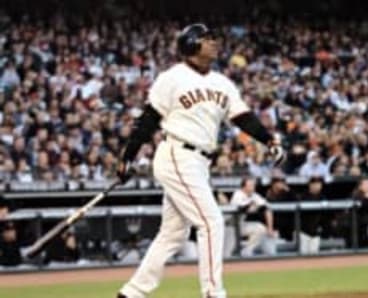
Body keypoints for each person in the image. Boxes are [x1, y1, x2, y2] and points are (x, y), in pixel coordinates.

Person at [116, 24, 285, 298]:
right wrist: (127, 157)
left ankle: (132, 293)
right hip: (177, 154)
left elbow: (243, 117)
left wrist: (269, 140)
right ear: (192, 44)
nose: (214, 43)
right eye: (207, 39)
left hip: (199, 162)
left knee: (173, 234)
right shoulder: (172, 78)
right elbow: (148, 120)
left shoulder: (222, 83)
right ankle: (212, 293)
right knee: (211, 221)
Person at [226, 177, 276, 257]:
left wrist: (270, 228)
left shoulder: (254, 195)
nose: (253, 187)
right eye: (250, 185)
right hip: (228, 227)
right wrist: (253, 205)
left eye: (253, 185)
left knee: (260, 228)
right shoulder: (238, 194)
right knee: (226, 255)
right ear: (244, 187)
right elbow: (243, 208)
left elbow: (266, 208)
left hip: (240, 225)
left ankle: (247, 251)